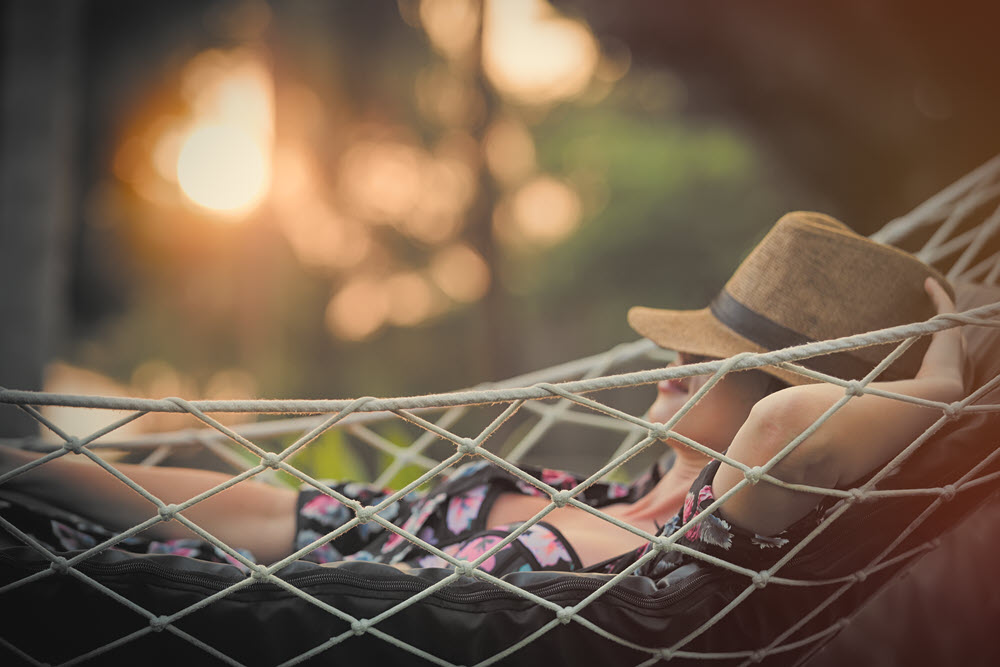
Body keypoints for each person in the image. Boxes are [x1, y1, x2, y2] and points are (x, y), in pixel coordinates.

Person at [0, 212, 965, 579]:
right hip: (156, 580)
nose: (671, 359)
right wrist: (25, 468)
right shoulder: (572, 491)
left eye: (715, 358)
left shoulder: (713, 543)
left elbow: (788, 432)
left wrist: (945, 378)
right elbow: (261, 511)